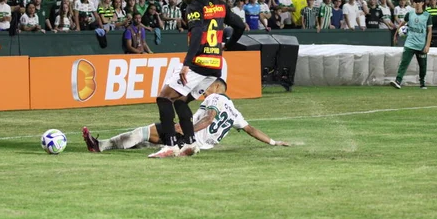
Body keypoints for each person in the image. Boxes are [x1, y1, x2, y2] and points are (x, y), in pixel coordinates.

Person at [149, 0, 245, 158]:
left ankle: (170, 145)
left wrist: (187, 64)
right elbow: (240, 26)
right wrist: (227, 46)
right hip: (214, 66)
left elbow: (197, 33)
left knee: (164, 98)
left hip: (198, 62)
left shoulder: (194, 6)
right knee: (180, 100)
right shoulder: (219, 3)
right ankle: (190, 144)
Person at [82, 79, 289, 153]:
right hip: (201, 146)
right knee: (148, 142)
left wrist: (185, 129)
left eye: (207, 86)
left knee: (142, 132)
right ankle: (115, 146)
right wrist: (273, 142)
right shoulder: (234, 111)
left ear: (217, 87)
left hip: (188, 137)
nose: (204, 90)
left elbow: (208, 119)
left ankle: (99, 146)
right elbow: (250, 130)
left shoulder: (215, 99)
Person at [390, 0, 432, 90]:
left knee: (423, 65)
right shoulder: (410, 14)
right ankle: (398, 81)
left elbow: (429, 31)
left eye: (419, 2)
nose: (417, 4)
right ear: (413, 4)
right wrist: (395, 35)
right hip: (409, 43)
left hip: (421, 44)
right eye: (415, 2)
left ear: (422, 3)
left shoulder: (427, 16)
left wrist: (427, 45)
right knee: (404, 62)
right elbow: (402, 24)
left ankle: (422, 82)